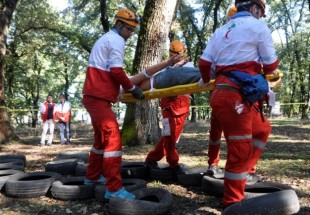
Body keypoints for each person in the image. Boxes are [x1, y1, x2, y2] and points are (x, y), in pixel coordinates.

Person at [198, 0, 279, 208]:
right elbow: (271, 65)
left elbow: (204, 63)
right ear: (254, 8)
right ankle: (233, 202)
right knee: (240, 149)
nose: (261, 16)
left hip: (230, 95)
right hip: (235, 98)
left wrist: (206, 80)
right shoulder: (258, 26)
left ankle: (246, 172)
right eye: (261, 12)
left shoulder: (221, 30)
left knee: (262, 129)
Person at [82, 8, 145, 200]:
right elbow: (117, 71)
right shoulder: (116, 40)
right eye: (129, 30)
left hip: (94, 96)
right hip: (97, 98)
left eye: (133, 31)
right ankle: (114, 189)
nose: (130, 35)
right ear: (119, 24)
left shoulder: (106, 39)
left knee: (101, 140)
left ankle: (92, 177)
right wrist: (132, 88)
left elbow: (110, 71)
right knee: (113, 140)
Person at [144, 40, 193, 175]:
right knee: (168, 135)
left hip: (181, 106)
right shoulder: (165, 67)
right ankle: (173, 163)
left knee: (170, 136)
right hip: (167, 106)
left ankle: (152, 158)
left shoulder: (189, 65)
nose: (176, 57)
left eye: (178, 54)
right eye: (173, 55)